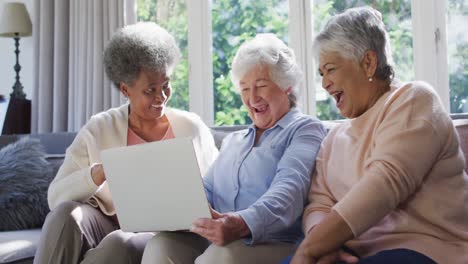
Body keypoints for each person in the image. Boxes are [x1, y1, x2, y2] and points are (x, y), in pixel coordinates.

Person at [287, 6, 468, 264]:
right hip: (352, 253)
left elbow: (384, 184)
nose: (325, 83)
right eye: (321, 74)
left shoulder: (414, 100)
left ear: (368, 63)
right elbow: (319, 203)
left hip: (427, 249)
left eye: (330, 69)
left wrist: (310, 249)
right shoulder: (333, 138)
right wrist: (323, 243)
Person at [33, 22, 218, 264]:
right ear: (125, 90)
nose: (161, 97)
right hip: (106, 221)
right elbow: (55, 197)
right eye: (150, 90)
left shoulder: (191, 127)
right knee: (65, 215)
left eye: (166, 85)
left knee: (120, 242)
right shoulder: (99, 128)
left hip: (166, 232)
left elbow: (220, 186)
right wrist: (98, 173)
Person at [140, 33, 327, 264]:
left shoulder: (305, 129)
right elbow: (207, 190)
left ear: (286, 86)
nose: (252, 98)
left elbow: (289, 190)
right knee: (161, 245)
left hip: (275, 242)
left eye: (261, 86)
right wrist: (174, 206)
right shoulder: (234, 140)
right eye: (245, 89)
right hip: (222, 241)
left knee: (221, 256)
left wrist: (241, 223)